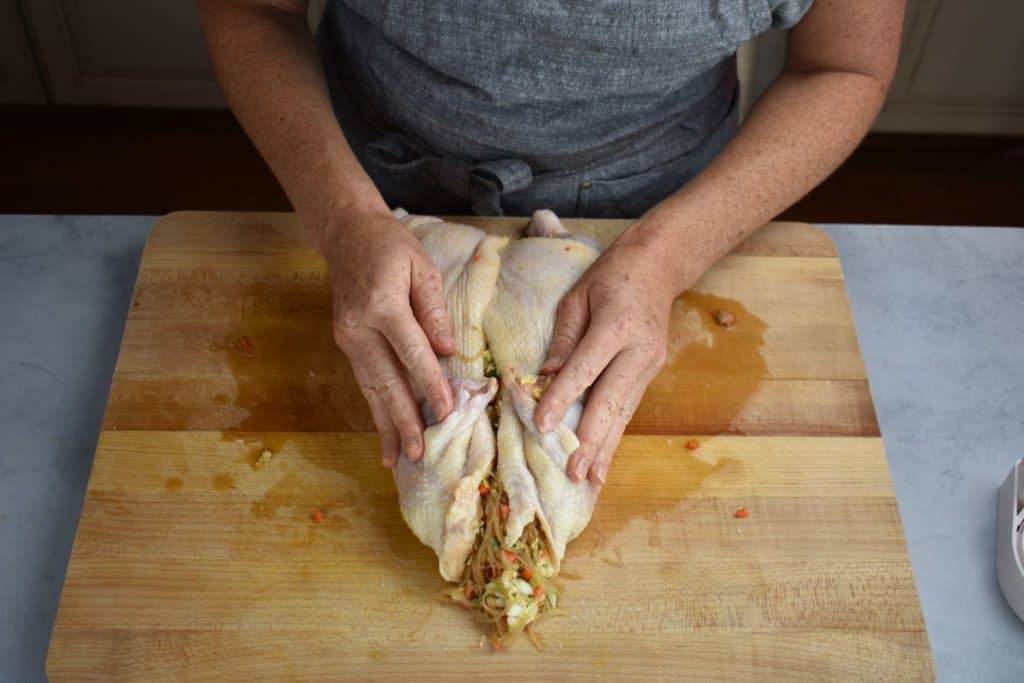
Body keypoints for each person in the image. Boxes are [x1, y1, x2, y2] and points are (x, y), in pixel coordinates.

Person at [198, 0, 904, 483]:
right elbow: (253, 9)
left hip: (670, 202)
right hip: (361, 176)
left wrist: (665, 255)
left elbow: (845, 67)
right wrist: (342, 218)